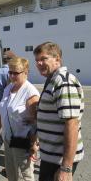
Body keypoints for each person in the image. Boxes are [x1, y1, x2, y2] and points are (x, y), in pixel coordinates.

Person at [33, 42, 84, 181]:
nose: (39, 63)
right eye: (37, 60)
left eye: (43, 59)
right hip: (51, 156)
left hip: (59, 160)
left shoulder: (63, 82)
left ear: (57, 59)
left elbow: (71, 124)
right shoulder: (52, 80)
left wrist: (66, 168)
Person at [0, 56, 40, 181]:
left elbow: (36, 124)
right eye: (10, 72)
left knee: (25, 176)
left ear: (26, 72)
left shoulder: (31, 93)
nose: (12, 76)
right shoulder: (9, 88)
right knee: (11, 174)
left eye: (16, 73)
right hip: (8, 140)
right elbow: (1, 111)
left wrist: (34, 144)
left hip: (23, 142)